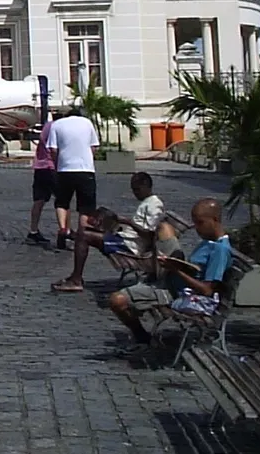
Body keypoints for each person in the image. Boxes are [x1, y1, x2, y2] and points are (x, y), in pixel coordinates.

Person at [106, 197, 233, 353]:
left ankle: (142, 338)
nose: (197, 229)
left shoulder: (220, 250)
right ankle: (152, 261)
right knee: (163, 228)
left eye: (200, 223)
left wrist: (175, 270)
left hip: (178, 292)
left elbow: (206, 290)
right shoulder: (209, 241)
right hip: (174, 279)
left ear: (214, 220)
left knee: (117, 300)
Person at [51, 171, 180, 292]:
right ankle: (74, 248)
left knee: (84, 235)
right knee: (89, 229)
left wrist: (126, 221)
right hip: (126, 238)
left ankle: (76, 279)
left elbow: (149, 233)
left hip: (131, 246)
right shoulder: (148, 202)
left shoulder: (154, 205)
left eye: (137, 190)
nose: (135, 193)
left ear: (146, 186)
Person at [49, 101, 99, 249]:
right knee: (86, 206)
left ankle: (63, 228)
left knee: (62, 202)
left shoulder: (56, 125)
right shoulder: (87, 123)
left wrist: (58, 162)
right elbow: (94, 147)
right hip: (85, 169)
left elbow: (53, 149)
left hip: (64, 169)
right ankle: (82, 235)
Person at [26, 117, 56, 245]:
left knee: (39, 200)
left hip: (40, 166)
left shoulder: (47, 126)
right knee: (63, 201)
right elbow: (55, 150)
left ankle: (33, 230)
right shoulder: (58, 128)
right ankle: (65, 231)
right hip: (52, 166)